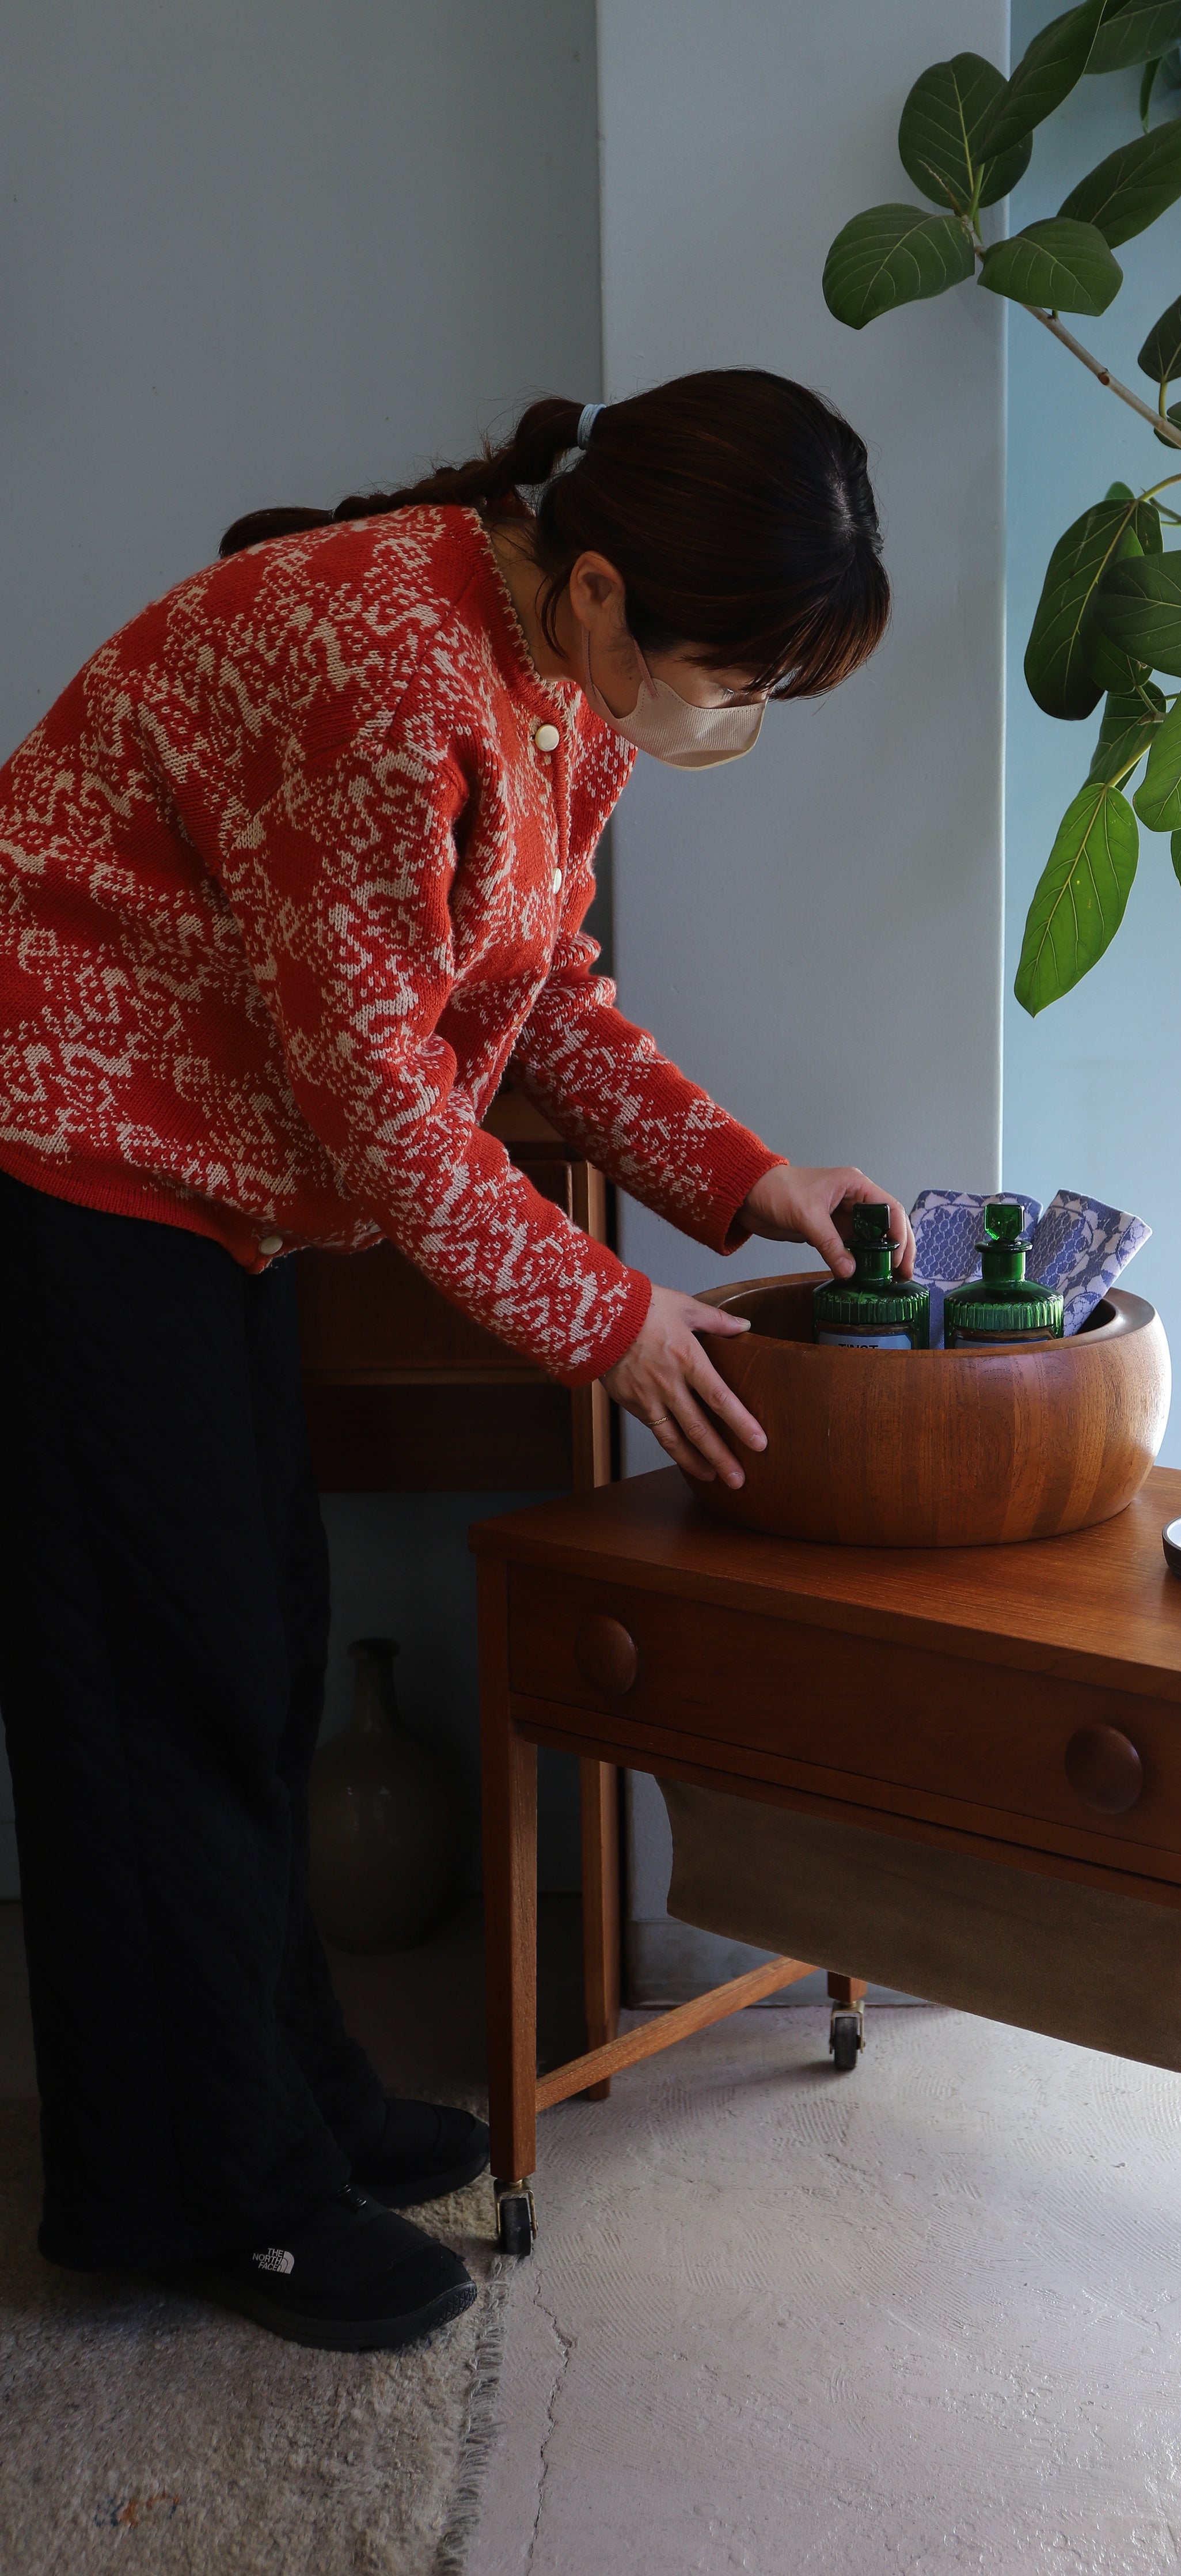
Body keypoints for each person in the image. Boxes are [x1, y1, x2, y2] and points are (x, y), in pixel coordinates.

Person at [0, 372, 912, 2349]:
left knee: (254, 1648)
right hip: (64, 1156)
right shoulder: (394, 676)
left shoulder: (557, 694)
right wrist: (615, 1318)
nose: (734, 722)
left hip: (197, 1179)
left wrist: (749, 1184)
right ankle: (200, 2197)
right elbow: (386, 1104)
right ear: (599, 588)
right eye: (735, 680)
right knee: (165, 1697)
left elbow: (538, 1010)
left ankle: (290, 2100)